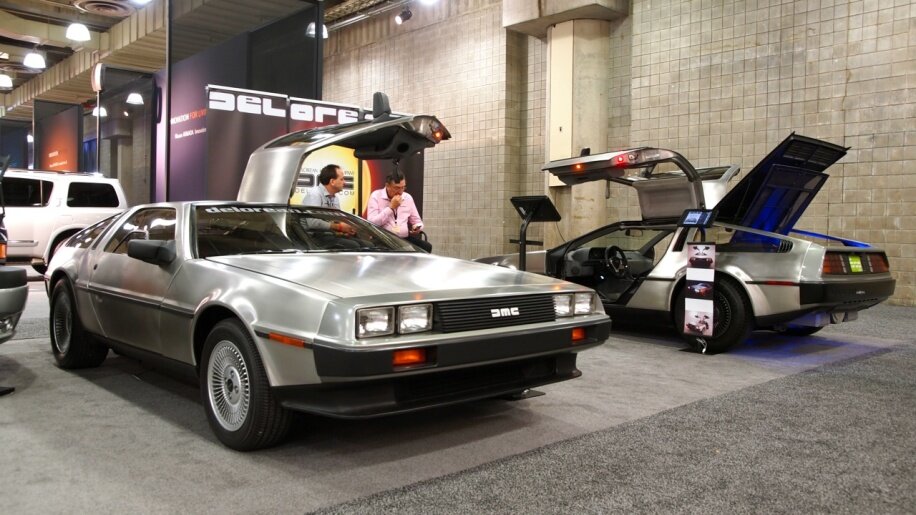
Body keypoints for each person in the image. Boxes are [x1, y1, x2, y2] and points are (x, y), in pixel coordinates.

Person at [366, 171, 432, 252]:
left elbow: (417, 221)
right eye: (397, 188)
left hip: (403, 239)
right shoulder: (376, 196)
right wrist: (391, 208)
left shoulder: (407, 198)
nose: (400, 192)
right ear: (387, 186)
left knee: (426, 247)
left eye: (403, 187)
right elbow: (371, 223)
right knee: (400, 250)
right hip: (383, 239)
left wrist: (417, 227)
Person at [301, 164, 357, 236]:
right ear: (332, 181)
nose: (344, 182)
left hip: (327, 235)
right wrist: (339, 227)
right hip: (312, 238)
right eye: (342, 179)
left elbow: (337, 220)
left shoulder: (335, 198)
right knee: (351, 243)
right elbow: (313, 223)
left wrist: (347, 229)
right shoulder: (315, 194)